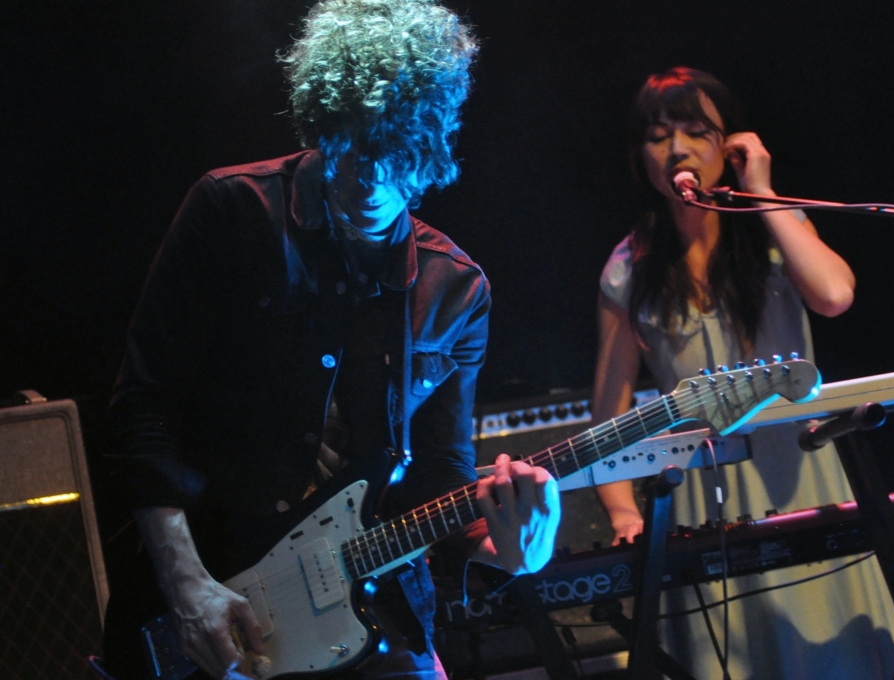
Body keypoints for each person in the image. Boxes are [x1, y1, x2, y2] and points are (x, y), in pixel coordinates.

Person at [102, 1, 559, 678]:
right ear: (324, 123)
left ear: (429, 143)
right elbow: (144, 405)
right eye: (354, 145)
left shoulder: (456, 290)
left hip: (373, 616)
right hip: (217, 598)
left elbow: (440, 479)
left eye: (396, 150)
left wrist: (511, 546)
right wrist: (185, 584)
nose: (372, 175)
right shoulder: (232, 212)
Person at [591, 67, 894, 678]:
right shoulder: (628, 268)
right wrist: (625, 514)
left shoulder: (772, 231)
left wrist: (761, 192)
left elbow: (835, 293)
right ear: (640, 156)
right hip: (696, 505)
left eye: (693, 131)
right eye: (658, 136)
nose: (677, 148)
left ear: (729, 144)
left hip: (802, 477)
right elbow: (609, 414)